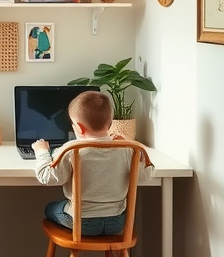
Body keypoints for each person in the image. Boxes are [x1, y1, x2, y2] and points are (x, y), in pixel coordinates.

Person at [32, 90, 155, 235]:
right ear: (110, 123)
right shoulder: (126, 149)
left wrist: (41, 152)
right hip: (116, 223)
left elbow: (47, 177)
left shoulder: (71, 149)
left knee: (50, 208)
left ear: (79, 127)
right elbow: (145, 176)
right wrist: (131, 146)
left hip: (82, 224)